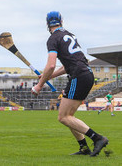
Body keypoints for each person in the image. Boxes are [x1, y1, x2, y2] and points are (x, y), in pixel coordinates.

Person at [32, 11, 108, 157]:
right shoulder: (69, 35)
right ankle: (84, 148)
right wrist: (48, 76)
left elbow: (51, 65)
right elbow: (66, 65)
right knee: (69, 116)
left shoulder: (53, 38)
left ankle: (98, 138)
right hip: (85, 73)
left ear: (47, 24)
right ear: (61, 21)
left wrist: (39, 85)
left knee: (63, 117)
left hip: (78, 76)